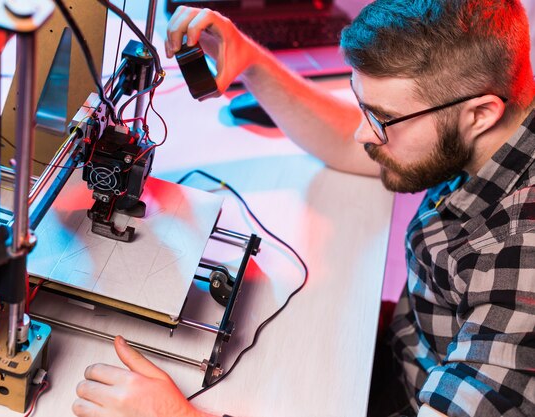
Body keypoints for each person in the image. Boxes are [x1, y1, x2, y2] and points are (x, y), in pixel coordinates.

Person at [72, 1, 535, 416]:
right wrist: (249, 60)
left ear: (480, 114)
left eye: (383, 119)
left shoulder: (519, 263)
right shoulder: (493, 123)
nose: (364, 134)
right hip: (416, 349)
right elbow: (345, 140)